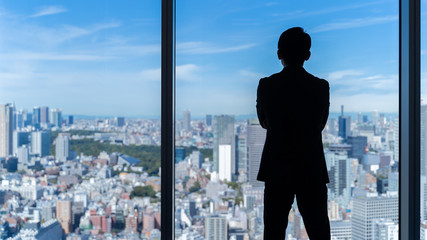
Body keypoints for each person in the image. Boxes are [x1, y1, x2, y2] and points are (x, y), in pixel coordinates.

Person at [256, 27, 331, 239]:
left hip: (277, 167)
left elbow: (264, 122)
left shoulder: (267, 85)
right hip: (311, 166)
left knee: (273, 230)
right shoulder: (320, 86)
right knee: (319, 230)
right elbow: (320, 124)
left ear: (279, 53)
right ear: (308, 55)